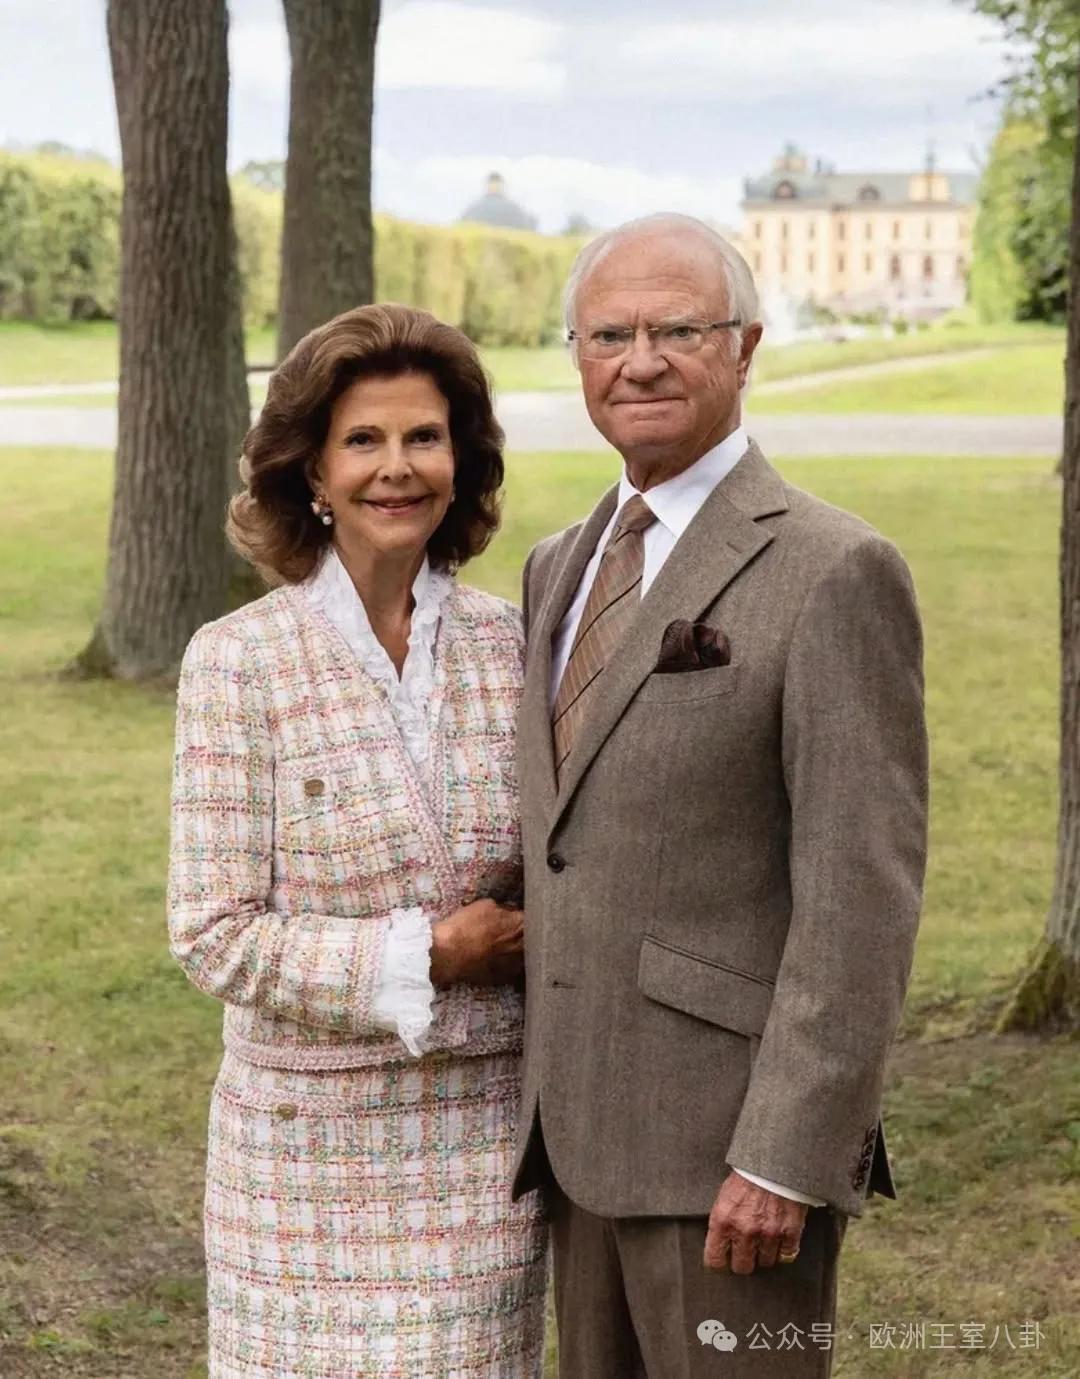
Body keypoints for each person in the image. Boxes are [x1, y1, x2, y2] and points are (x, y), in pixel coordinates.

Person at [511, 214, 929, 1378]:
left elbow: (861, 898)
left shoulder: (834, 568)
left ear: (744, 347)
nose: (639, 361)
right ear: (579, 357)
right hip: (575, 1139)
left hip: (730, 1161)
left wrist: (786, 1151)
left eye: (679, 330)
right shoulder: (556, 565)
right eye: (610, 334)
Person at [167, 304, 547, 1379]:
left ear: (461, 464)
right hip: (297, 1165)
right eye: (363, 440)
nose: (398, 467)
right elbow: (212, 934)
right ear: (314, 473)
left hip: (480, 1153)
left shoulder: (517, 645)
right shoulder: (238, 660)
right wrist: (431, 952)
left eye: (425, 437)